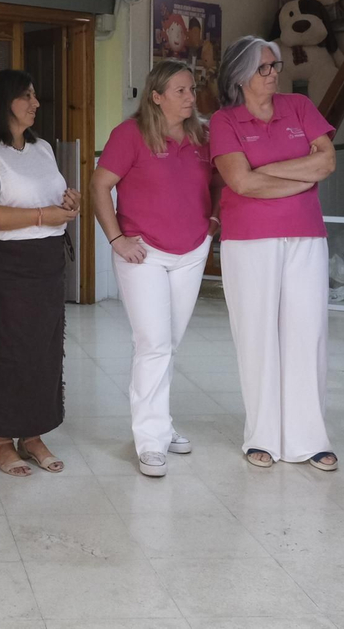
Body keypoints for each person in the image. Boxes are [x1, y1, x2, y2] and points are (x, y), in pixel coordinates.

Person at [209, 35, 339, 471]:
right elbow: (240, 183)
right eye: (264, 67)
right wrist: (298, 178)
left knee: (308, 332)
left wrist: (267, 171)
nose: (273, 74)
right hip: (248, 239)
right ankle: (261, 435)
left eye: (275, 65)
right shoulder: (225, 122)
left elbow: (326, 163)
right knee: (257, 334)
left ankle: (310, 437)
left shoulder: (299, 108)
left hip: (306, 235)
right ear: (241, 74)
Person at [92, 60, 218, 477]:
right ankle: (149, 440)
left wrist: (212, 224)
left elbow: (217, 182)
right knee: (154, 344)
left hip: (191, 250)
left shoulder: (202, 134)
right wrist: (116, 239)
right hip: (142, 252)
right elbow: (100, 185)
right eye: (180, 90)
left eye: (191, 89)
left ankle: (160, 426)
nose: (190, 97)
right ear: (156, 96)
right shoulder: (130, 135)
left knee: (169, 344)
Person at [0, 69, 78, 477]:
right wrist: (40, 215)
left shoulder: (42, 148)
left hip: (47, 263)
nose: (35, 103)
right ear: (4, 102)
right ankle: (1, 440)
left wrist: (68, 203)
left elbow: (50, 199)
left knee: (43, 352)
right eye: (26, 96)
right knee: (6, 352)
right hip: (7, 268)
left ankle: (33, 434)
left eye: (34, 95)